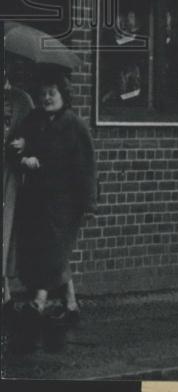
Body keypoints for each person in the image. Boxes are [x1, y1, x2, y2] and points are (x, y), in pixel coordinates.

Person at [9, 68, 96, 326]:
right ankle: (70, 304)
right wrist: (22, 152)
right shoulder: (34, 120)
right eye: (43, 93)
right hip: (37, 200)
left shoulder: (74, 125)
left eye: (52, 93)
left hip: (65, 203)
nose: (47, 98)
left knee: (53, 250)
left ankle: (39, 301)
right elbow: (13, 144)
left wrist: (89, 204)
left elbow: (86, 168)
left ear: (63, 95)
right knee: (53, 252)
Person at [3, 73, 34, 305]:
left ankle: (5, 286)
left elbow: (38, 133)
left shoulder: (22, 101)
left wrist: (25, 143)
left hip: (9, 175)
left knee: (6, 229)